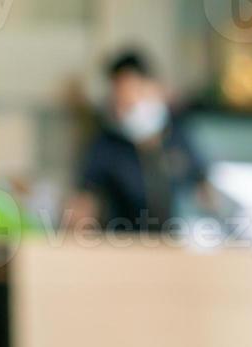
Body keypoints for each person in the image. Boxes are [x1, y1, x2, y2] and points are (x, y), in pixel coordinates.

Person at [66, 49, 211, 233]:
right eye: (123, 102)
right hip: (125, 248)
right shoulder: (107, 145)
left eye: (137, 95)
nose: (131, 107)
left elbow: (207, 193)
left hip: (178, 249)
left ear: (156, 89)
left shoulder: (180, 136)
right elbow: (83, 203)